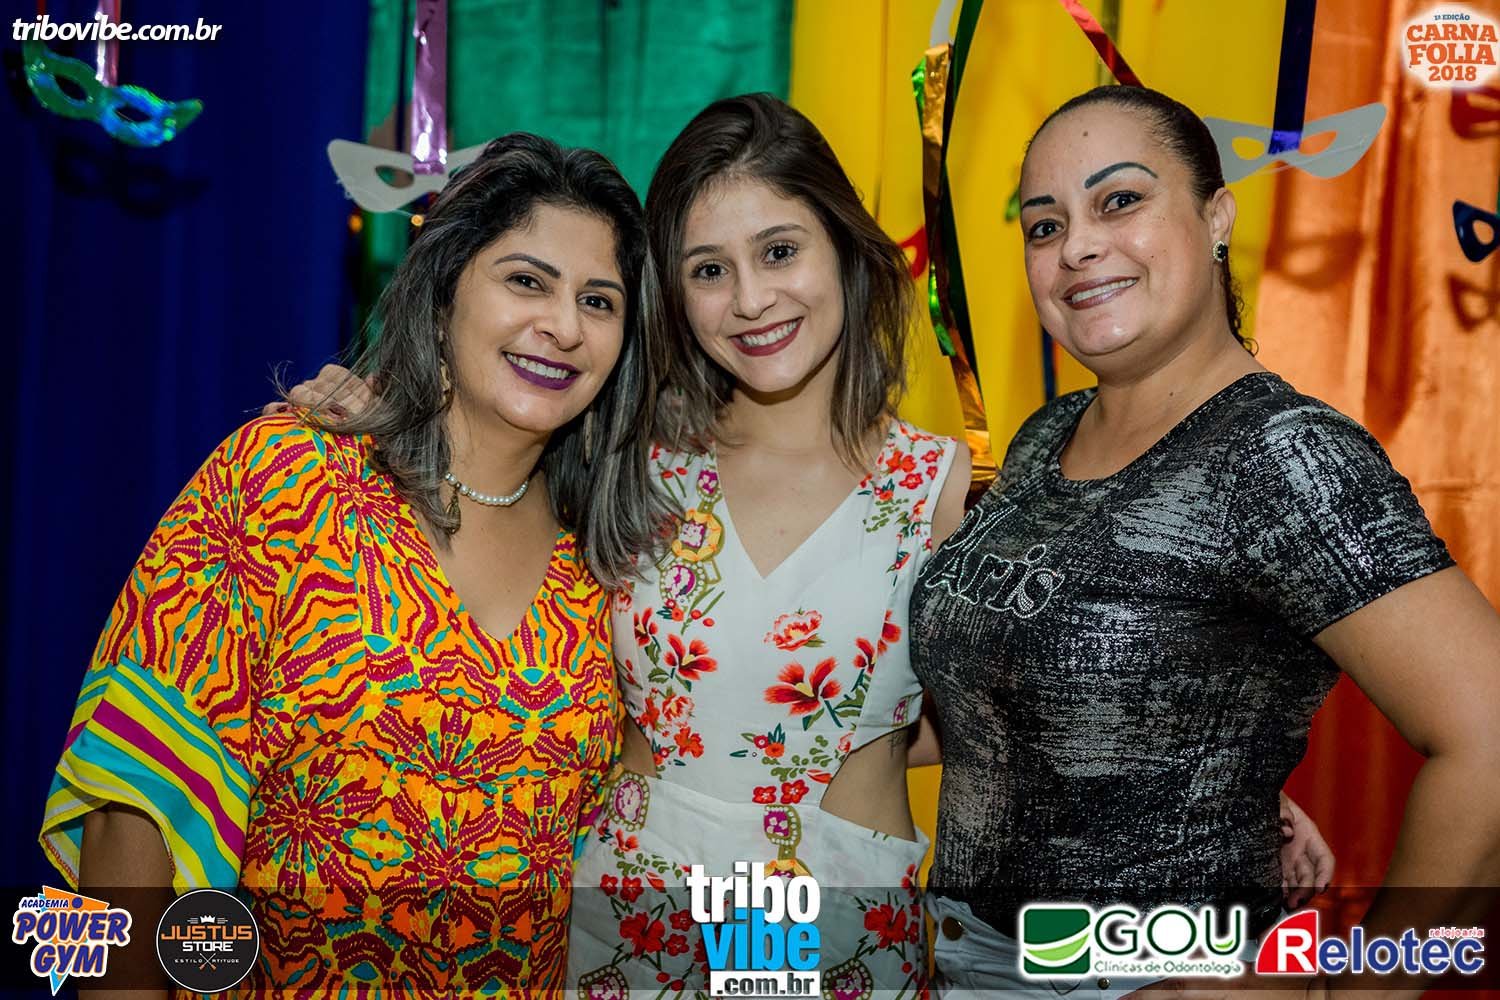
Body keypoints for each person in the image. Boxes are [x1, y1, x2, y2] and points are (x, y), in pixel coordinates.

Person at [289, 94, 1336, 997]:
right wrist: (378, 411)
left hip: (839, 938)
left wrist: (1196, 781)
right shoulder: (622, 460)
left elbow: (1025, 687)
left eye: (780, 251)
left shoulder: (950, 490)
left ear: (843, 247)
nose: (751, 300)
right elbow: (482, 498)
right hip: (631, 925)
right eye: (708, 268)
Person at [40, 133, 669, 995]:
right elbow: (130, 803)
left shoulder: (606, 566)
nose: (563, 326)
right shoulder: (289, 480)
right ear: (444, 294)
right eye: (527, 281)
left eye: (599, 300)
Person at [909, 84, 1500, 999]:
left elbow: (1489, 738)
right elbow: (1027, 703)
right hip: (962, 960)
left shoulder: (1281, 455)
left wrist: (1361, 991)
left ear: (1217, 217)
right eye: (1044, 225)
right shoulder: (1044, 437)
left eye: (1120, 200)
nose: (1077, 247)